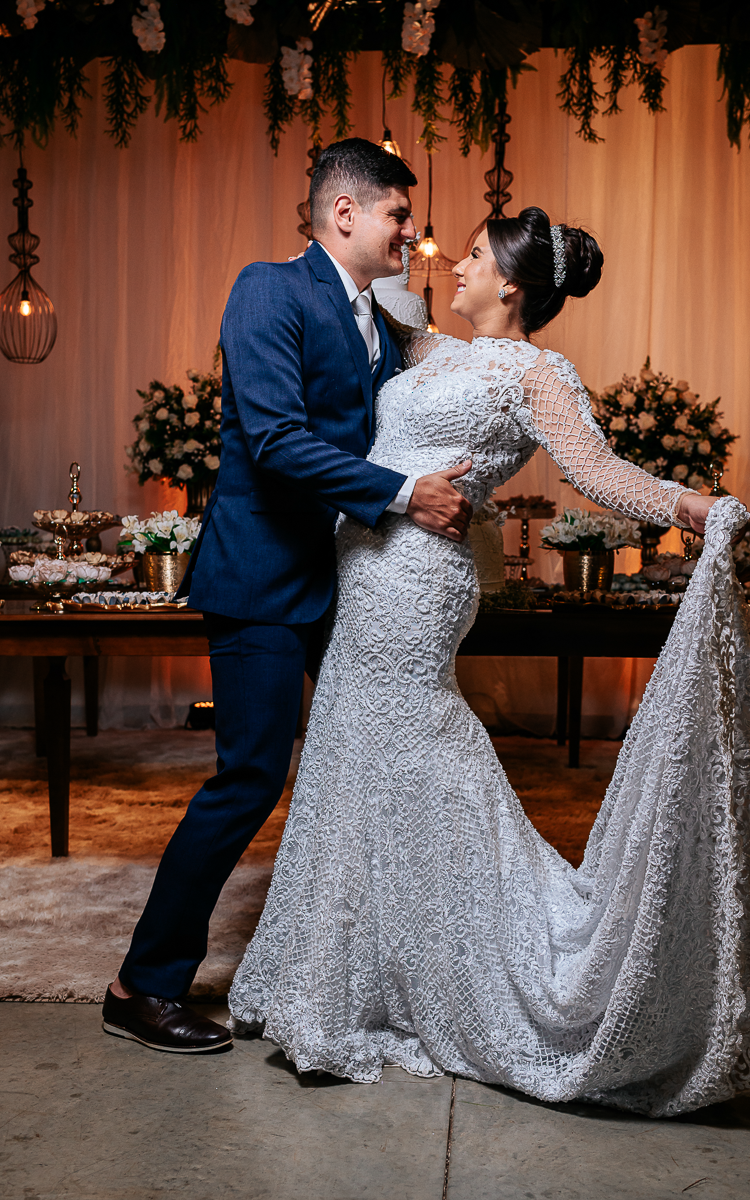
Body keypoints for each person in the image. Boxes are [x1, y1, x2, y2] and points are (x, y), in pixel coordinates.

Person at [227, 209, 750, 1116]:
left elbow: (595, 472)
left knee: (415, 751)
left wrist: (691, 505)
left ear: (511, 285)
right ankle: (346, 976)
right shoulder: (425, 346)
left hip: (417, 582)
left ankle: (478, 961)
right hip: (358, 567)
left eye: (475, 255)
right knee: (358, 756)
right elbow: (347, 284)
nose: (456, 263)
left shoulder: (536, 371)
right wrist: (348, 228)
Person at [102, 139, 474, 1054]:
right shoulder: (269, 288)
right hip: (263, 582)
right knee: (250, 778)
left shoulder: (381, 321)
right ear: (344, 213)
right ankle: (138, 987)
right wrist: (402, 494)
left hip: (344, 587)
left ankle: (365, 973)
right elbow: (271, 439)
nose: (410, 231)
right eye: (397, 213)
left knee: (364, 772)